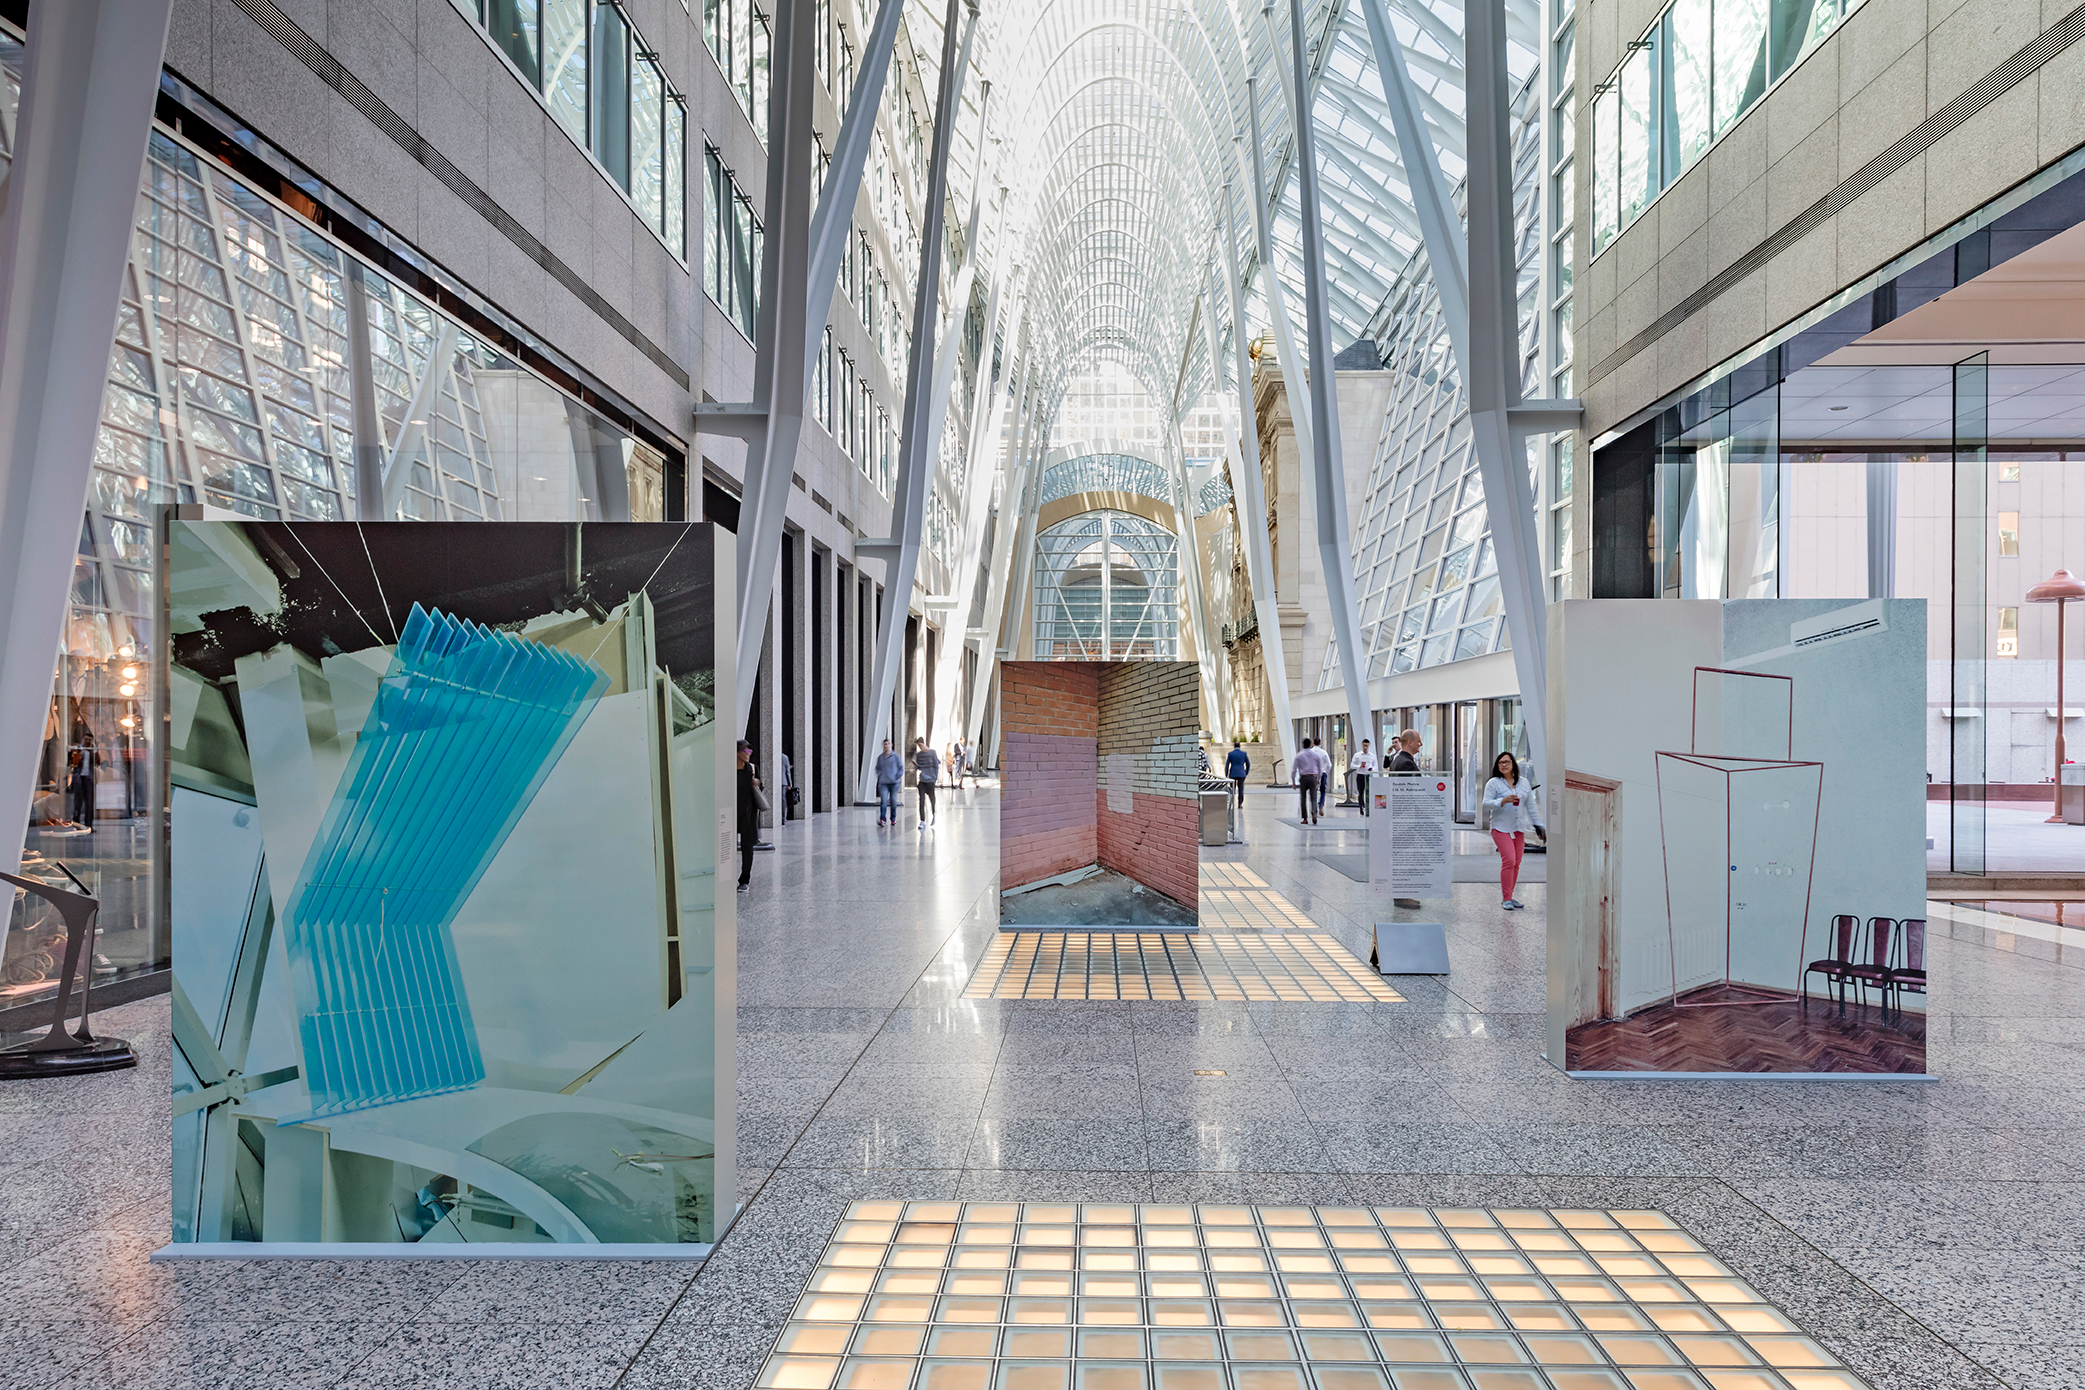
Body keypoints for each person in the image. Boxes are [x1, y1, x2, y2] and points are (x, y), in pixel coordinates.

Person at [1483, 750, 1545, 910]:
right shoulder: (1493, 783)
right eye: (1501, 762)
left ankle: (1510, 897)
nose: (1504, 765)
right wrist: (1502, 801)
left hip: (1518, 828)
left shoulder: (1523, 783)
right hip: (1500, 828)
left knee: (1516, 863)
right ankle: (1505, 899)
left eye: (1507, 762)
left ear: (1513, 765)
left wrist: (1539, 825)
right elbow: (1485, 804)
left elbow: (1531, 807)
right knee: (1509, 860)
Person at [735, 739, 763, 891]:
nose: (748, 754)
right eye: (745, 751)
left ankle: (744, 880)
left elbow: (760, 791)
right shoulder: (727, 770)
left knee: (747, 847)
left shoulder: (752, 768)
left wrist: (758, 783)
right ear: (737, 752)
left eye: (750, 751)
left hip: (748, 815)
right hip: (730, 814)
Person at [874, 738, 904, 827]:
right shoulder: (880, 757)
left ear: (891, 745)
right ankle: (882, 819)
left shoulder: (896, 757)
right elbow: (877, 768)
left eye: (888, 744)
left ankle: (893, 818)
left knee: (893, 801)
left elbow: (901, 768)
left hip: (894, 783)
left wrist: (897, 776)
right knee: (883, 800)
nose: (886, 746)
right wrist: (880, 775)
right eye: (885, 744)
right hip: (883, 783)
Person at [1295, 737, 1325, 825]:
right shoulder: (1315, 755)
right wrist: (1319, 779)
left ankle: (1305, 818)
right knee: (1314, 797)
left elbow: (1294, 769)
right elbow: (1320, 768)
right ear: (1311, 744)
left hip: (1303, 777)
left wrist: (1293, 781)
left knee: (1303, 798)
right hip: (1313, 777)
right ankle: (1314, 812)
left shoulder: (1299, 755)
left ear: (1303, 745)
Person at [913, 737, 941, 828]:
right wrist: (916, 766)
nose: (920, 747)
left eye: (920, 745)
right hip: (922, 780)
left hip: (930, 780)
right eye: (919, 746)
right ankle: (922, 820)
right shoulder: (919, 755)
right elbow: (919, 767)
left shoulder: (932, 752)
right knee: (921, 801)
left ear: (924, 743)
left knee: (932, 799)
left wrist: (935, 778)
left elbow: (936, 765)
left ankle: (933, 815)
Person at [1350, 739, 1376, 816]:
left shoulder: (1372, 756)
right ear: (1362, 745)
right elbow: (1352, 765)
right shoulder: (1357, 755)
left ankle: (1369, 807)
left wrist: (1372, 769)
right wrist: (1359, 766)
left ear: (1369, 746)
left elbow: (1375, 766)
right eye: (1364, 746)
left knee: (1369, 792)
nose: (1365, 747)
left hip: (1368, 775)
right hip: (1360, 774)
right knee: (1360, 792)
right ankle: (1361, 807)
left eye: (1367, 746)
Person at [1225, 740, 1250, 810]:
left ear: (1234, 746)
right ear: (1240, 746)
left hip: (1233, 773)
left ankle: (1232, 802)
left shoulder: (1230, 754)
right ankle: (1240, 803)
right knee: (1241, 789)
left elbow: (1227, 764)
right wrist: (1246, 772)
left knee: (1232, 789)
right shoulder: (1244, 754)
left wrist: (1226, 774)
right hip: (1241, 773)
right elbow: (1248, 764)